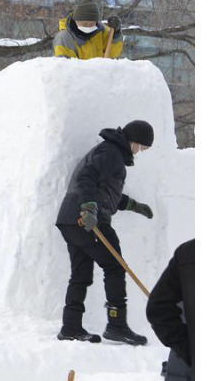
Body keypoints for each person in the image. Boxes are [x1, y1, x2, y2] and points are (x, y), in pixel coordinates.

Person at [55, 120, 156, 345]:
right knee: (115, 266)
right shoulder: (111, 154)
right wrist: (89, 208)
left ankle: (70, 327)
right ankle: (117, 325)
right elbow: (86, 178)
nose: (140, 152)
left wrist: (134, 206)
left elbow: (107, 194)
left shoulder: (110, 152)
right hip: (87, 220)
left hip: (71, 220)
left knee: (81, 275)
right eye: (141, 147)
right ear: (133, 140)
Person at [148, 240, 195, 380]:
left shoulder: (187, 253)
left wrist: (185, 350)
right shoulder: (186, 255)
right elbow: (159, 309)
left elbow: (158, 308)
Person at [53, 0, 124, 60]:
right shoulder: (65, 37)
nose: (88, 27)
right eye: (85, 24)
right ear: (76, 20)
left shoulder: (101, 31)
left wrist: (116, 34)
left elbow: (113, 54)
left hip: (100, 73)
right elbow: (66, 66)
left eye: (91, 24)